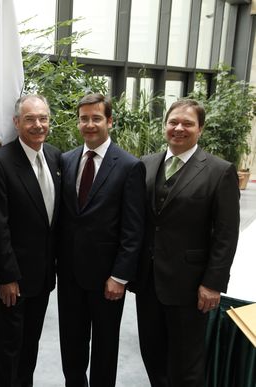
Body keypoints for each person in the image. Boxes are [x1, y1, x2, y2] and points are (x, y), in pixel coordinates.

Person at [133, 99, 240, 387]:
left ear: (200, 129)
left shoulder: (220, 171)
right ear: (165, 125)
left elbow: (226, 234)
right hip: (148, 283)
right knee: (153, 355)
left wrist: (213, 283)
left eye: (188, 123)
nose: (179, 128)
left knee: (186, 365)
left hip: (191, 286)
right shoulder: (145, 164)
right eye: (173, 122)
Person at [57, 93, 146, 387]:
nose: (90, 124)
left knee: (105, 347)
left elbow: (133, 229)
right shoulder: (66, 160)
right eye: (84, 118)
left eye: (96, 118)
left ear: (109, 121)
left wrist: (120, 276)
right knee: (71, 343)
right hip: (69, 275)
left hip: (107, 278)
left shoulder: (129, 166)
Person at [0, 94, 61, 387]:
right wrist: (7, 276)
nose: (37, 125)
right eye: (30, 119)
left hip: (42, 276)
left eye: (43, 118)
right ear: (17, 123)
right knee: (8, 348)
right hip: (12, 280)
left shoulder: (54, 156)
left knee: (30, 345)